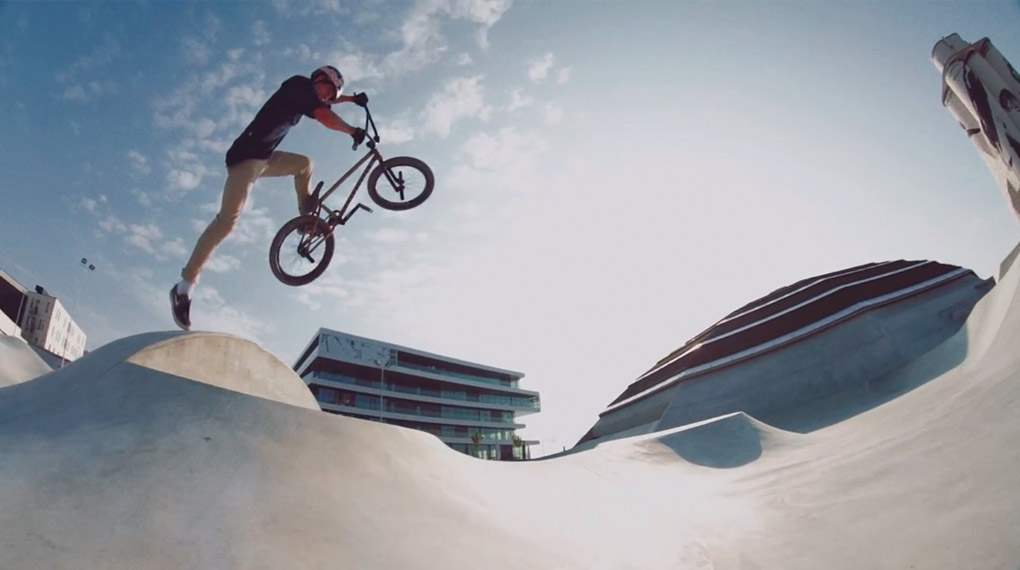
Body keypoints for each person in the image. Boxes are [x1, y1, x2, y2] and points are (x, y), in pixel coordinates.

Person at [169, 65, 368, 330]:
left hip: (264, 159)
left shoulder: (311, 95)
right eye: (327, 90)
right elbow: (324, 114)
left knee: (304, 164)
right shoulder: (299, 86)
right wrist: (353, 130)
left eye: (331, 95)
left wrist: (352, 99)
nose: (327, 98)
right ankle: (184, 287)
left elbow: (327, 102)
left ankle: (306, 214)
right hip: (246, 159)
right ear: (319, 79)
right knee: (228, 220)